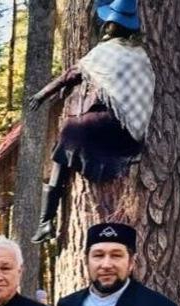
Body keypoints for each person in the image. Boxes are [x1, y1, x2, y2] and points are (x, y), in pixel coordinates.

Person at [27, 4, 154, 243]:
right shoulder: (141, 57)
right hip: (123, 134)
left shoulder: (102, 52)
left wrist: (42, 94)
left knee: (61, 156)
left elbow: (71, 75)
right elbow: (142, 98)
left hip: (86, 128)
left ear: (109, 26)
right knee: (77, 140)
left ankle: (46, 222)